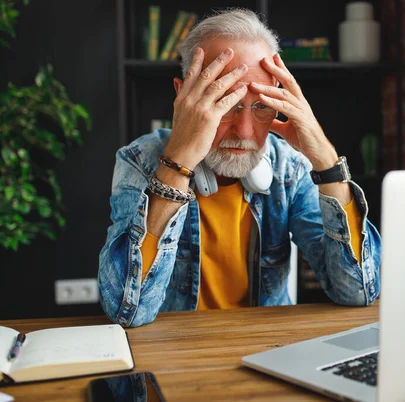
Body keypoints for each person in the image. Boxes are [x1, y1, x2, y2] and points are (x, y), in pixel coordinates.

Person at [98, 8, 381, 328]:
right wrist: (177, 164)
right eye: (226, 103)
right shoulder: (140, 160)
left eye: (261, 106)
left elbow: (358, 291)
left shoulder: (288, 167)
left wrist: (327, 164)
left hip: (265, 350)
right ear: (183, 97)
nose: (245, 132)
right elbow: (127, 309)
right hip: (172, 355)